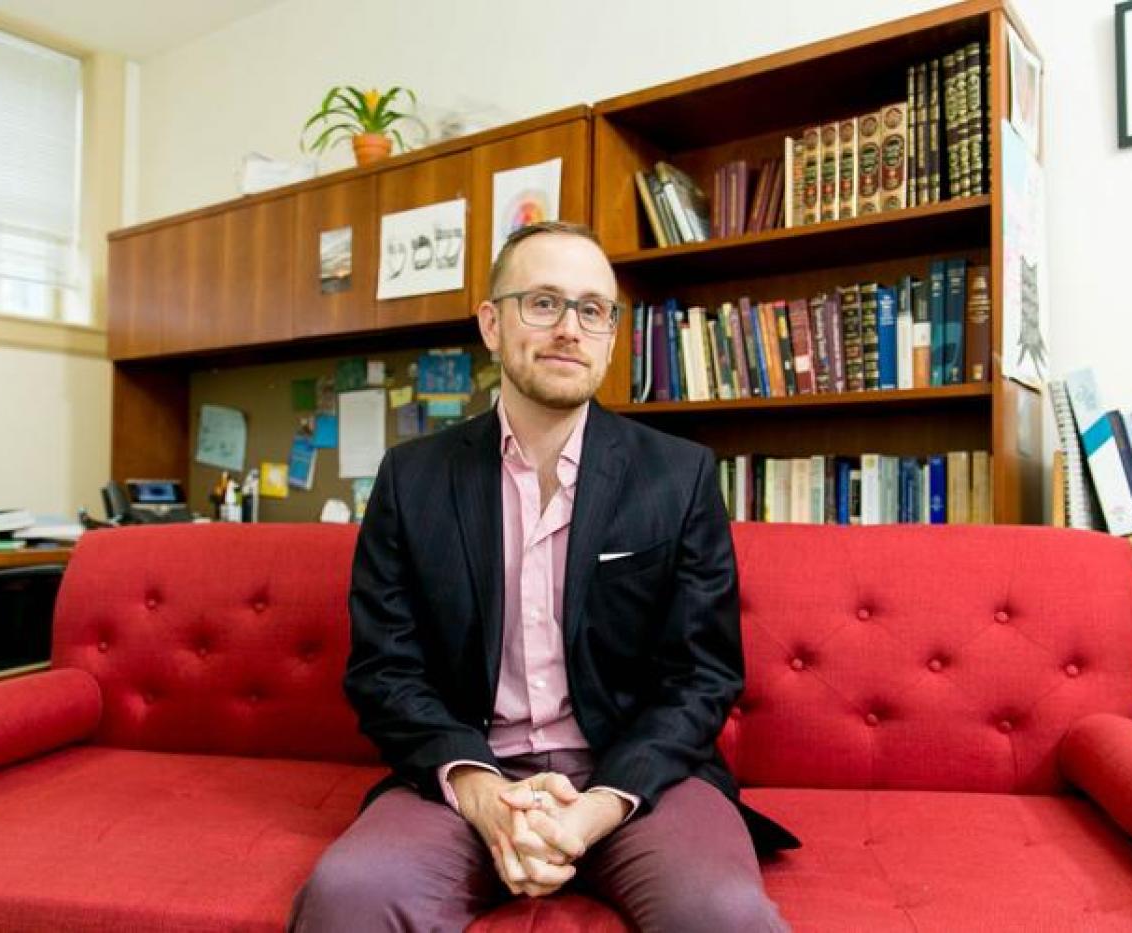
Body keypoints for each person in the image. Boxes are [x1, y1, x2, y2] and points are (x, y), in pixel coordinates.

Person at [291, 221, 796, 932]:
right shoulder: (413, 478)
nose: (570, 328)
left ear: (612, 335)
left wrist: (596, 807)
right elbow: (384, 671)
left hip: (637, 781)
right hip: (469, 775)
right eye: (543, 303)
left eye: (592, 309)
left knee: (725, 915)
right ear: (492, 324)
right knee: (348, 896)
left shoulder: (679, 475)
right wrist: (481, 789)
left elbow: (702, 676)